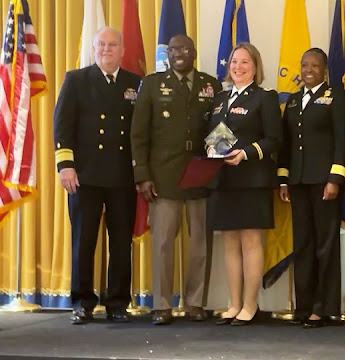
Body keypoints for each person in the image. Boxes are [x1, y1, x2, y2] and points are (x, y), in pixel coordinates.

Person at [130, 34, 222, 325]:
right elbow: (139, 134)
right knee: (163, 244)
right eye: (172, 49)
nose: (178, 53)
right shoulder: (153, 84)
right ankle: (161, 305)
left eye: (183, 48)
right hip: (163, 176)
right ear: (166, 54)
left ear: (193, 52)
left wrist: (216, 163)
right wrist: (142, 175)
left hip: (199, 174)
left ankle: (195, 302)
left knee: (199, 243)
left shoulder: (211, 84)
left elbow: (220, 128)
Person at [53, 27, 140, 325]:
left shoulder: (135, 83)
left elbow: (139, 133)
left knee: (120, 243)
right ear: (94, 48)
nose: (106, 49)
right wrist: (65, 165)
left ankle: (117, 302)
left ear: (122, 50)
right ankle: (82, 301)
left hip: (121, 177)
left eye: (112, 44)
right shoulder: (76, 79)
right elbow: (62, 126)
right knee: (84, 240)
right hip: (84, 176)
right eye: (101, 44)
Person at [208, 42, 281, 326]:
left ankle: (250, 304)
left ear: (255, 67)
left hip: (252, 179)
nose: (238, 67)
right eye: (235, 62)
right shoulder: (218, 99)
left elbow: (274, 139)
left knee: (250, 241)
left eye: (245, 63)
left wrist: (246, 153)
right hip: (223, 180)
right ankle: (234, 303)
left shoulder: (265, 98)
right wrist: (213, 151)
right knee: (229, 243)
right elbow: (215, 135)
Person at [277, 48, 345, 328]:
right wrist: (283, 178)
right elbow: (286, 144)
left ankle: (323, 307)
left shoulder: (336, 96)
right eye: (304, 64)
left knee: (325, 244)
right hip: (297, 182)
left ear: (325, 69)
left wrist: (335, 178)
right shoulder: (294, 100)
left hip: (324, 182)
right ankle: (304, 305)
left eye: (315, 65)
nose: (308, 70)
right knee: (303, 245)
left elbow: (342, 139)